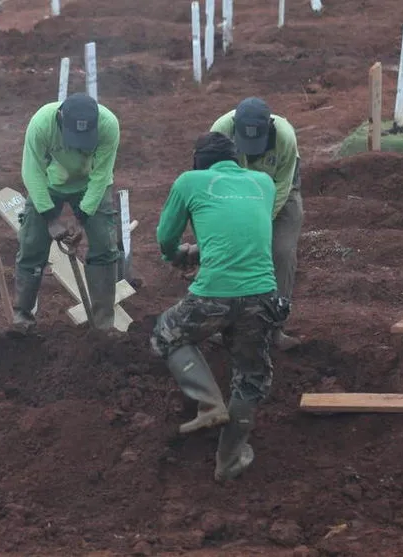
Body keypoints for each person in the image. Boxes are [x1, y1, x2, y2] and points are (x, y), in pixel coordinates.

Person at [150, 132, 290, 482]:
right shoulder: (263, 182)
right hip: (262, 295)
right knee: (251, 378)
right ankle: (228, 461)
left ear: (198, 161)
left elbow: (165, 237)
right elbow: (240, 225)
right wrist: (204, 249)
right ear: (237, 160)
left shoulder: (189, 181)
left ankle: (209, 403)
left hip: (214, 294)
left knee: (167, 335)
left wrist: (176, 255)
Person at [12, 92, 121, 334]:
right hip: (50, 185)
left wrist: (82, 218)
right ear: (60, 118)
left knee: (105, 246)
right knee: (31, 245)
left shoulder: (108, 125)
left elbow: (101, 175)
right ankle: (22, 319)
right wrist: (50, 218)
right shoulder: (42, 124)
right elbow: (32, 173)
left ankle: (104, 325)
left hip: (91, 185)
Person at [210, 97, 303, 351]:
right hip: (233, 195)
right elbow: (211, 182)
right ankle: (223, 324)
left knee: (281, 253)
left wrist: (259, 226)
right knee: (226, 251)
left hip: (278, 195)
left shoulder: (285, 137)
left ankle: (275, 328)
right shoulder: (220, 131)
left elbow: (283, 188)